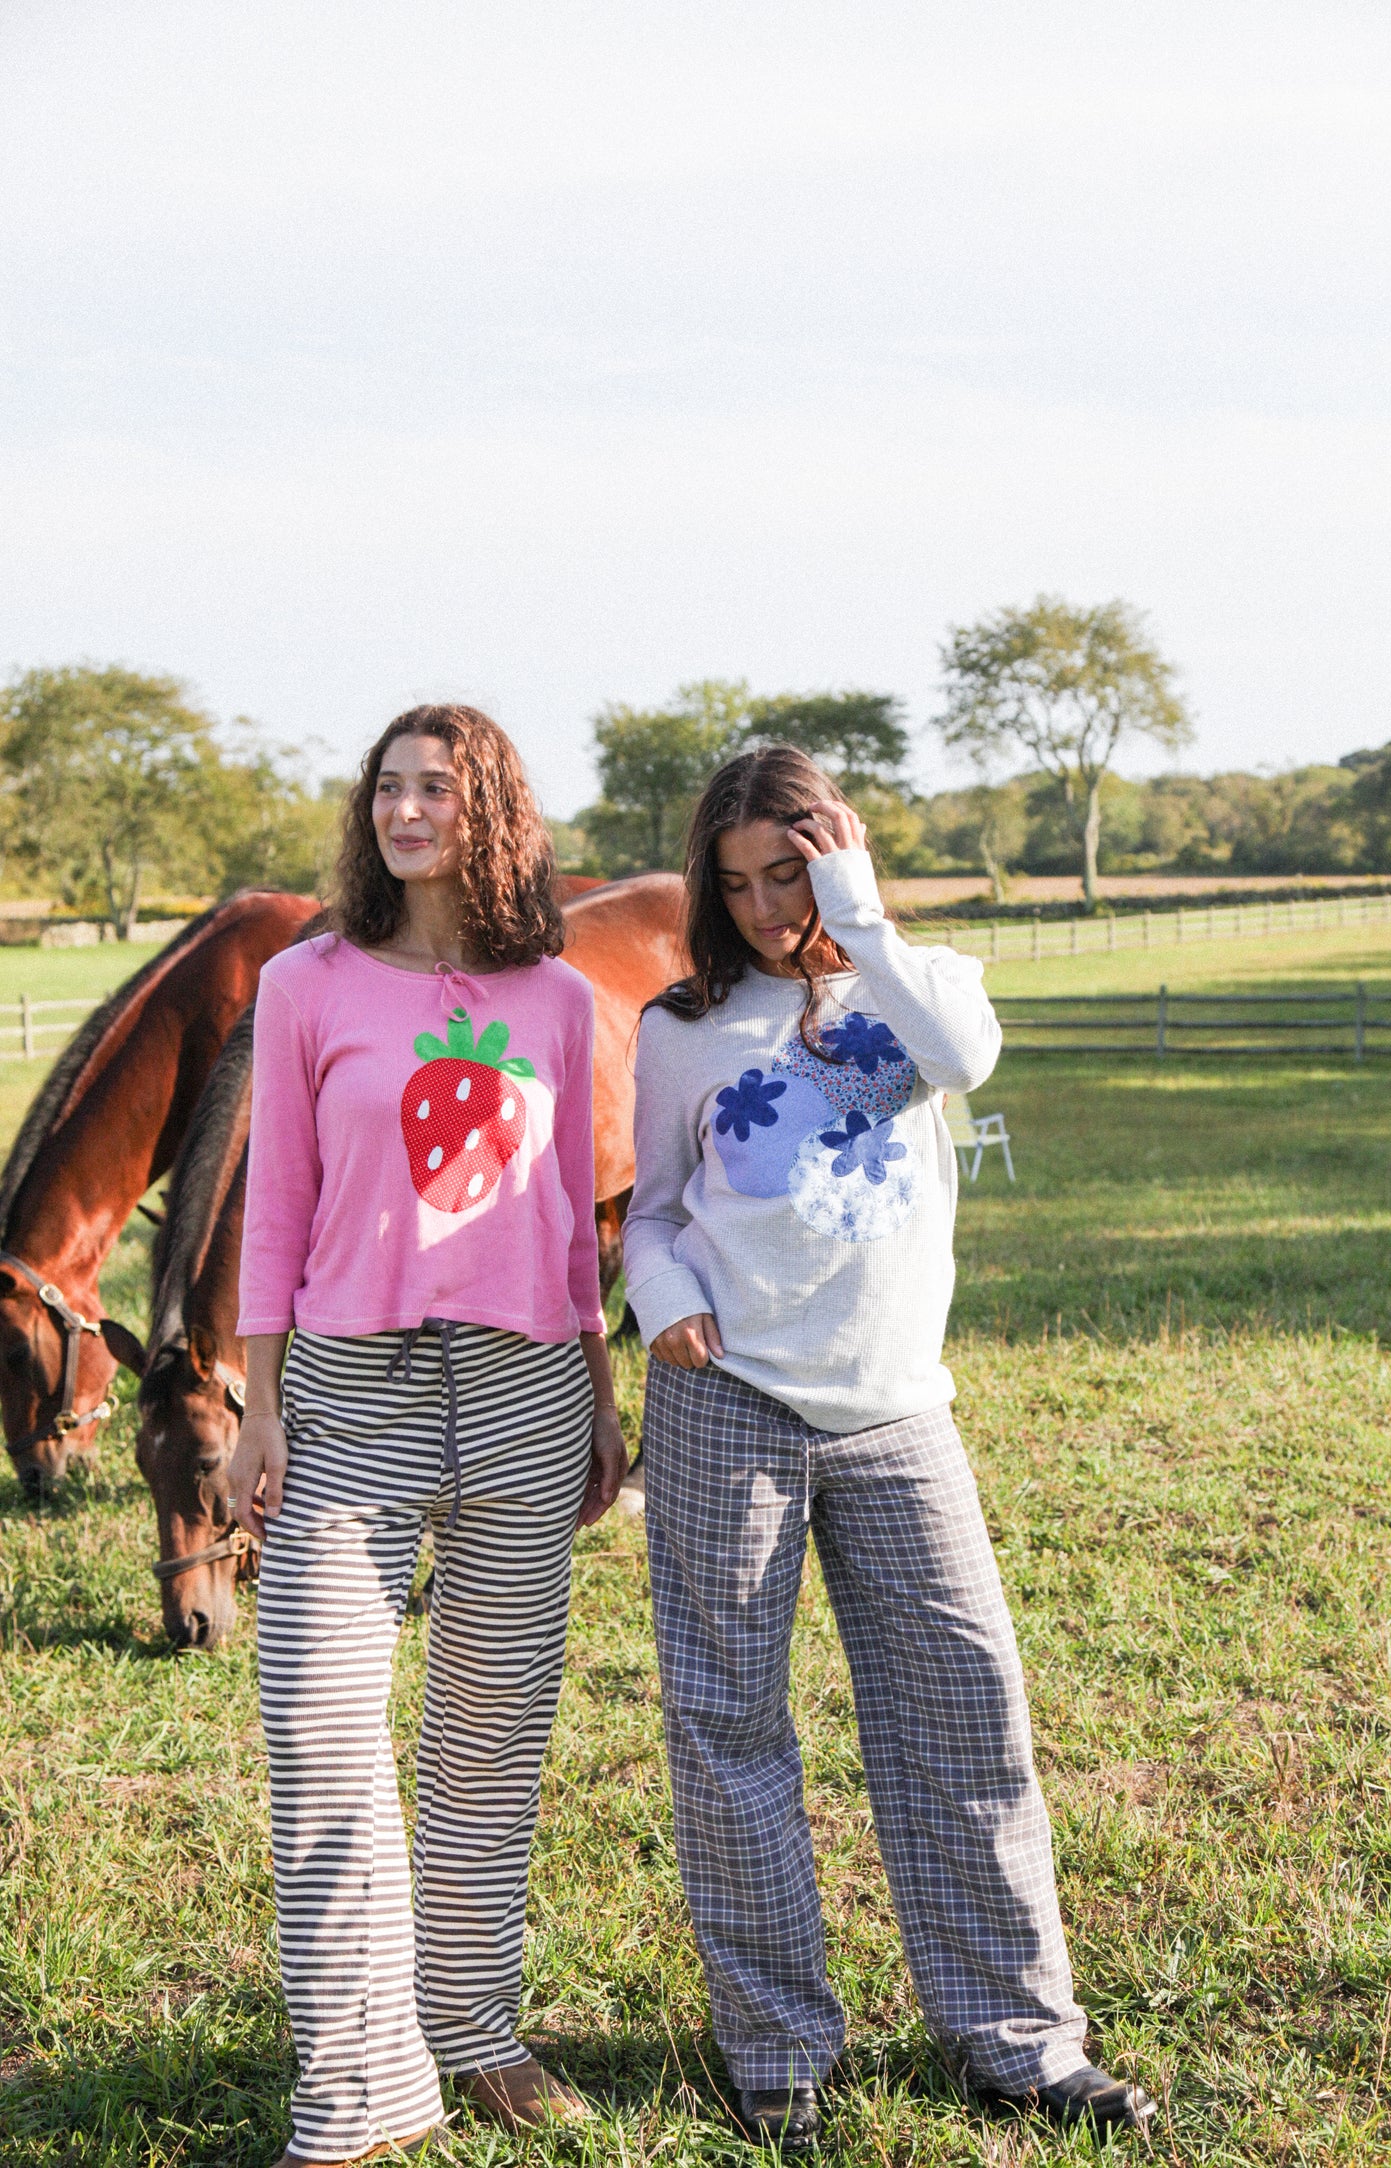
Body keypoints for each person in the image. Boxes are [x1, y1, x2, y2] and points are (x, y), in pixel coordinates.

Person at [623, 745, 1154, 2150]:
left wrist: (853, 914)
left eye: (782, 871)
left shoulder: (923, 993)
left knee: (965, 1717)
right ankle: (777, 2051)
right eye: (732, 883)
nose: (759, 906)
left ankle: (1017, 2040)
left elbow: (966, 1059)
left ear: (835, 853)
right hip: (724, 1398)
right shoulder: (680, 1025)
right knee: (728, 1727)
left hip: (896, 1407)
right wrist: (664, 1300)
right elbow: (651, 1211)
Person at [231, 704, 627, 2168]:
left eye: (438, 791)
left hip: (525, 1385)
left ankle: (471, 2026)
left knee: (489, 1736)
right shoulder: (305, 983)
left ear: (492, 814)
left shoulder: (554, 999)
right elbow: (275, 1202)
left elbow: (570, 1225)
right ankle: (356, 2097)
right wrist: (256, 1401)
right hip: (349, 1386)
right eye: (388, 788)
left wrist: (596, 1390)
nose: (406, 812)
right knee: (323, 1733)